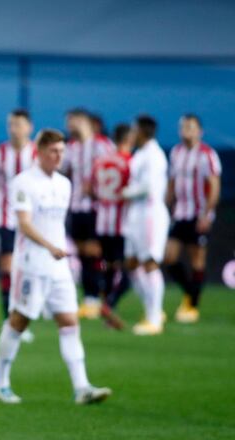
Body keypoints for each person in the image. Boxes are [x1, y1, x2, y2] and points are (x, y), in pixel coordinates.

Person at [0, 128, 111, 405]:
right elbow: (24, 223)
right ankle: (0, 384)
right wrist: (50, 246)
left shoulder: (64, 184)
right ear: (40, 152)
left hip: (59, 267)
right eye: (53, 151)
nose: (59, 157)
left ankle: (82, 387)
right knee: (19, 321)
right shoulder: (23, 182)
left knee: (69, 321)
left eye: (62, 151)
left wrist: (58, 249)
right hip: (32, 263)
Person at [0, 109, 37, 343]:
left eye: (18, 124)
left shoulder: (36, 154)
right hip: (4, 219)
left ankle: (24, 317)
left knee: (28, 271)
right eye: (11, 124)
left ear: (29, 127)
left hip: (32, 222)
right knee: (7, 269)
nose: (14, 129)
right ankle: (10, 319)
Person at [164, 114, 222, 323]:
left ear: (199, 131)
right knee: (169, 257)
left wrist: (207, 214)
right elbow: (172, 183)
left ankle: (192, 306)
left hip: (198, 214)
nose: (186, 131)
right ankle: (190, 291)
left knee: (197, 259)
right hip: (180, 213)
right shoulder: (176, 153)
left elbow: (214, 186)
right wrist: (166, 206)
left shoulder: (207, 155)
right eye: (183, 127)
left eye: (190, 127)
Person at [62, 109, 115, 319]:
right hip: (76, 207)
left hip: (98, 208)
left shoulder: (104, 145)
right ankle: (90, 299)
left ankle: (98, 297)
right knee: (83, 253)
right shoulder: (71, 148)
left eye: (72, 120)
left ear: (83, 121)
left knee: (95, 253)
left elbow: (116, 173)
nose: (68, 125)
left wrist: (96, 188)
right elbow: (62, 171)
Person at [122, 115, 170, 336]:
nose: (132, 132)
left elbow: (149, 188)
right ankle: (151, 309)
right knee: (131, 264)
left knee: (150, 263)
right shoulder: (140, 154)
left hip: (150, 214)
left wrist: (123, 192)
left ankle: (154, 317)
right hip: (135, 214)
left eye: (134, 129)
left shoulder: (155, 155)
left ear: (142, 131)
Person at [88, 124, 134, 330]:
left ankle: (106, 310)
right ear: (128, 139)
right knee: (126, 271)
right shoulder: (130, 162)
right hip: (122, 224)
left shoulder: (100, 161)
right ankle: (109, 304)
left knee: (107, 268)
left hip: (102, 222)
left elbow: (90, 190)